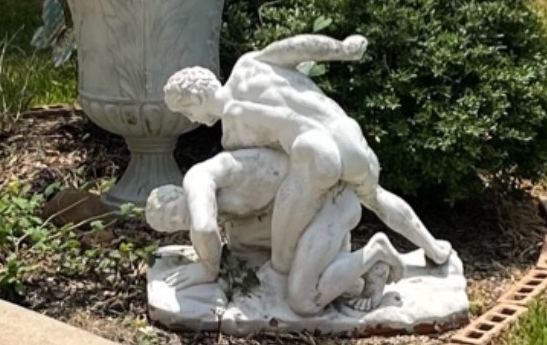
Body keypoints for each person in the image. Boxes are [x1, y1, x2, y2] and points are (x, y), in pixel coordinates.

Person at [162, 33, 451, 278]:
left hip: (316, 154)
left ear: (198, 99)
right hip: (346, 136)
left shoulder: (234, 135)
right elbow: (296, 47)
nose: (193, 119)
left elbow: (269, 177)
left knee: (289, 244)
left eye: (188, 111)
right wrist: (342, 50)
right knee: (375, 196)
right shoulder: (248, 65)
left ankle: (305, 267)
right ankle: (433, 248)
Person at [146, 147, 407, 317]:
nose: (179, 220)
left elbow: (203, 229)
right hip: (310, 213)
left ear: (177, 192)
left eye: (172, 213)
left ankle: (376, 250)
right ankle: (367, 269)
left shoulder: (199, 179)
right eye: (172, 225)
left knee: (304, 302)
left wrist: (207, 269)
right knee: (308, 279)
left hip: (329, 202)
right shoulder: (225, 209)